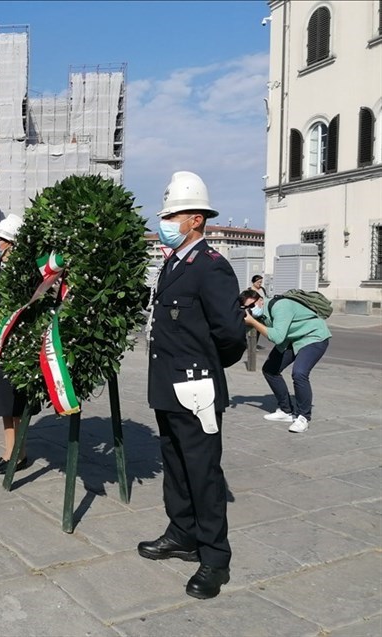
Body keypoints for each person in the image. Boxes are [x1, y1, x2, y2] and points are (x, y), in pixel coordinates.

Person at [138, 171, 246, 600]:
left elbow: (232, 335)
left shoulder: (212, 268)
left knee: (203, 474)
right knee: (176, 466)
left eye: (174, 215)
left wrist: (206, 369)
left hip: (197, 390)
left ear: (196, 219)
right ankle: (182, 533)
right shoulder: (173, 263)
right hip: (168, 387)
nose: (167, 221)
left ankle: (215, 558)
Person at [0, 215, 37, 473]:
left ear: (12, 243)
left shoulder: (22, 271)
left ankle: (16, 453)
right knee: (4, 404)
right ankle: (11, 452)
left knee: (14, 404)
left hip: (15, 346)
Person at [240, 289, 331, 433]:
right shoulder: (260, 314)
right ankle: (286, 411)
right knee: (270, 370)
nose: (251, 310)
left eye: (252, 306)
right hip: (293, 340)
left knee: (299, 373)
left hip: (313, 337)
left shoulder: (280, 306)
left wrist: (252, 321)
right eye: (246, 308)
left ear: (260, 300)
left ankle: (303, 417)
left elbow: (277, 337)